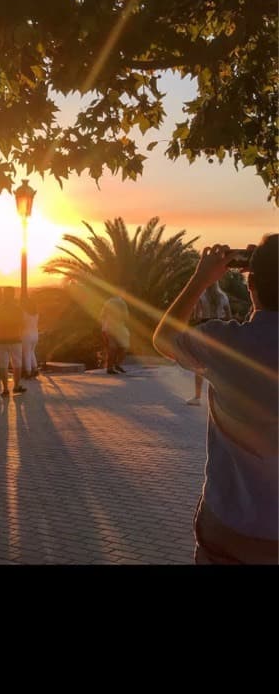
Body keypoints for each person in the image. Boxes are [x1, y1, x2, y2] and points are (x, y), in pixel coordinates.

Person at [153, 236, 278, 565]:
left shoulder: (227, 345)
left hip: (230, 522)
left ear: (251, 283)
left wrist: (201, 278)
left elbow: (163, 338)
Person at [186, 281, 231, 405]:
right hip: (220, 330)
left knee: (199, 363)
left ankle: (197, 397)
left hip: (205, 329)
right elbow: (229, 317)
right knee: (218, 364)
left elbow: (197, 316)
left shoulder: (201, 296)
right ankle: (221, 398)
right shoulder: (223, 296)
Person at [0, 287, 26, 397]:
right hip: (15, 339)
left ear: (3, 295)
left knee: (3, 365)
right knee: (17, 364)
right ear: (13, 295)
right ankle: (16, 386)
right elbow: (23, 323)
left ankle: (5, 389)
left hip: (1, 340)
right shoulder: (18, 309)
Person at [100, 295, 130, 374]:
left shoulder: (121, 303)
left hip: (118, 329)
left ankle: (116, 365)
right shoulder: (112, 302)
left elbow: (126, 317)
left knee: (122, 347)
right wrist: (104, 329)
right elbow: (102, 316)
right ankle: (110, 367)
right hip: (109, 329)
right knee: (113, 347)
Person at [22, 297, 39, 379]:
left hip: (27, 335)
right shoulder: (36, 314)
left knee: (27, 354)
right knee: (32, 352)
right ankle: (35, 368)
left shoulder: (24, 314)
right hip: (35, 334)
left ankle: (28, 372)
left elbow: (22, 324)